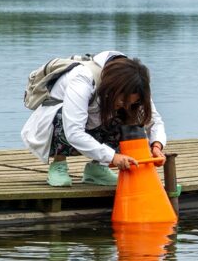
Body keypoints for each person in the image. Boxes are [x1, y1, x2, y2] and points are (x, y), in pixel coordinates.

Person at [21, 51, 166, 187]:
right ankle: (58, 164)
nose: (126, 105)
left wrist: (156, 145)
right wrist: (113, 157)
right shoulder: (83, 78)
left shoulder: (134, 84)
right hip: (58, 124)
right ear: (113, 87)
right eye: (122, 100)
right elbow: (74, 132)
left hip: (93, 121)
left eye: (132, 102)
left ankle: (97, 168)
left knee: (128, 115)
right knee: (62, 115)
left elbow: (153, 119)